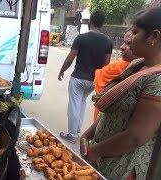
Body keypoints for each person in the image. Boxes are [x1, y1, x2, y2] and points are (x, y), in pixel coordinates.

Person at [80, 7, 161, 180]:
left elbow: (136, 137)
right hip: (102, 157)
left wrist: (95, 150)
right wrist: (88, 135)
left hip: (123, 167)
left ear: (154, 37)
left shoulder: (157, 79)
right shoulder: (139, 65)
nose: (129, 39)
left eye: (135, 32)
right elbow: (114, 109)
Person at [58, 10, 113, 143]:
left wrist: (62, 70)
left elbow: (70, 58)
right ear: (102, 24)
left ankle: (72, 134)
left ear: (90, 22)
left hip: (78, 78)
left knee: (74, 105)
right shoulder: (108, 42)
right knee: (82, 102)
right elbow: (106, 65)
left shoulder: (81, 38)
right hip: (93, 80)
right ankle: (76, 128)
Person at [93, 31, 138, 122]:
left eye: (129, 43)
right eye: (124, 42)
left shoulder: (143, 71)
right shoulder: (117, 66)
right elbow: (97, 79)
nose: (122, 47)